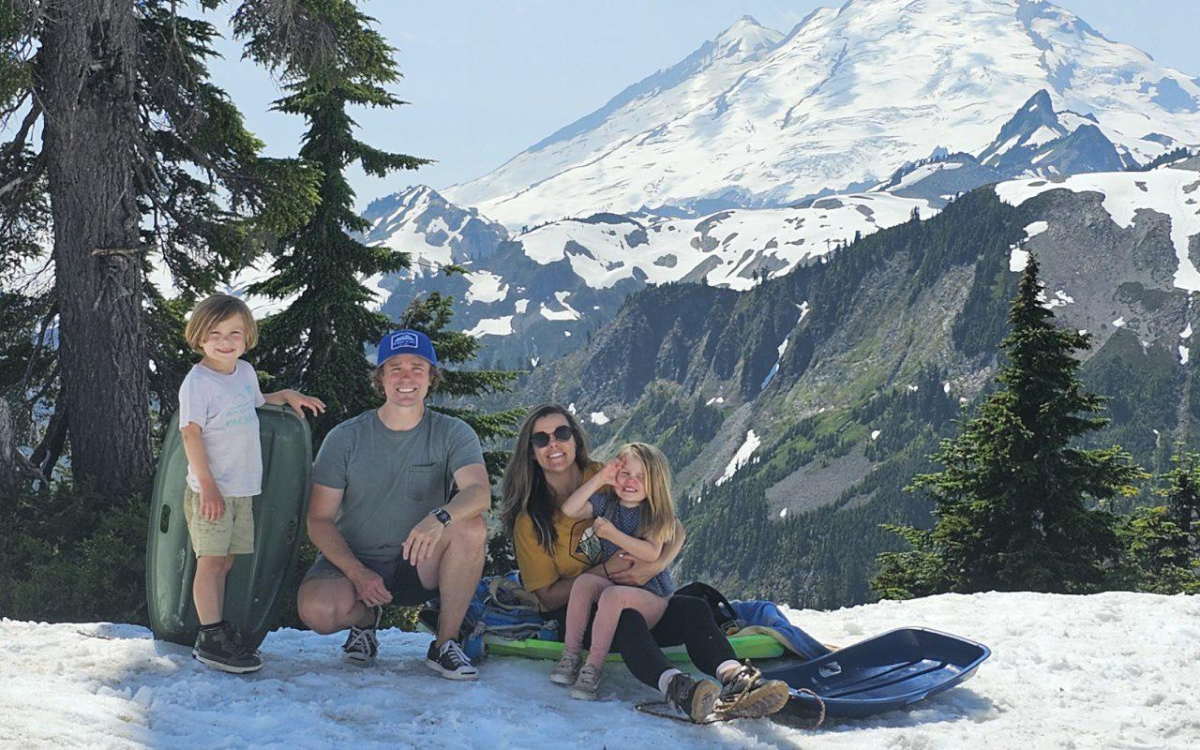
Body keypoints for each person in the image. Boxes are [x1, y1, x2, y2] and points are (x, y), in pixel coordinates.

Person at [501, 405, 789, 722]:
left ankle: (736, 678)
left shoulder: (609, 476)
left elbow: (672, 526)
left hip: (634, 591)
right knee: (623, 616)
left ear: (575, 440)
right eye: (541, 439)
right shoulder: (531, 520)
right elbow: (546, 597)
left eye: (562, 433)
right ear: (531, 452)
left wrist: (655, 563)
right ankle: (679, 688)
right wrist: (606, 570)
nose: (553, 444)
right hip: (579, 613)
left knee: (693, 607)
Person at [296, 329, 490, 680]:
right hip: (353, 561)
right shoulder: (345, 437)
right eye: (395, 368)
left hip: (418, 560)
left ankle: (445, 643)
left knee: (471, 526)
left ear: (431, 378)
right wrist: (357, 572)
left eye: (417, 367)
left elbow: (478, 493)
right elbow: (319, 520)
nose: (406, 377)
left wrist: (439, 517)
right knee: (319, 611)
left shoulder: (452, 432)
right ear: (381, 378)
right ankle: (366, 621)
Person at [179, 294, 326, 673]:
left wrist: (286, 396)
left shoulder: (244, 372)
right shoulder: (198, 382)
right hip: (212, 491)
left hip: (241, 490)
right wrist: (208, 485)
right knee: (210, 563)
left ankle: (217, 629)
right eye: (215, 333)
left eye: (234, 333)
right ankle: (210, 636)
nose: (225, 341)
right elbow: (190, 434)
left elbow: (255, 402)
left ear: (247, 337)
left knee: (225, 561)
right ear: (198, 337)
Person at [552, 443, 679, 701]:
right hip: (619, 586)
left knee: (611, 596)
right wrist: (601, 478)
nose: (631, 482)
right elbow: (570, 509)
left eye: (641, 477)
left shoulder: (655, 514)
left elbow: (651, 553)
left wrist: (613, 534)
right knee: (585, 582)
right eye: (626, 473)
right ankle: (571, 654)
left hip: (651, 596)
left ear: (655, 483)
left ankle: (593, 666)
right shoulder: (608, 505)